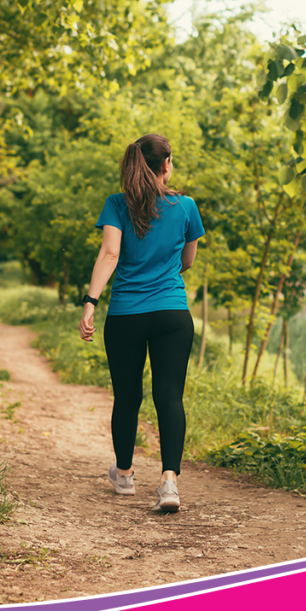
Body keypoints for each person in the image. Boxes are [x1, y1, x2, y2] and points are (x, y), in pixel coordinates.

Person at [78, 133, 204, 513]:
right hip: (172, 315)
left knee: (128, 396)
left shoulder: (116, 205)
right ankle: (169, 482)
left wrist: (90, 302)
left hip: (126, 316)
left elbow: (110, 253)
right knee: (169, 396)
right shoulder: (186, 207)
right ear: (166, 164)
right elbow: (187, 261)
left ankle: (126, 474)